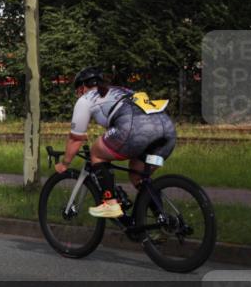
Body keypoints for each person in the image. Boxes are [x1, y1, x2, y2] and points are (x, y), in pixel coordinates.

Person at [55, 67, 176, 218]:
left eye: (78, 90)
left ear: (82, 87)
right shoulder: (121, 90)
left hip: (134, 128)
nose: (78, 94)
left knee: (96, 152)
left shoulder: (86, 98)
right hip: (167, 131)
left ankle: (110, 204)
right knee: (138, 177)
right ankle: (161, 219)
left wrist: (64, 163)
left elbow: (76, 138)